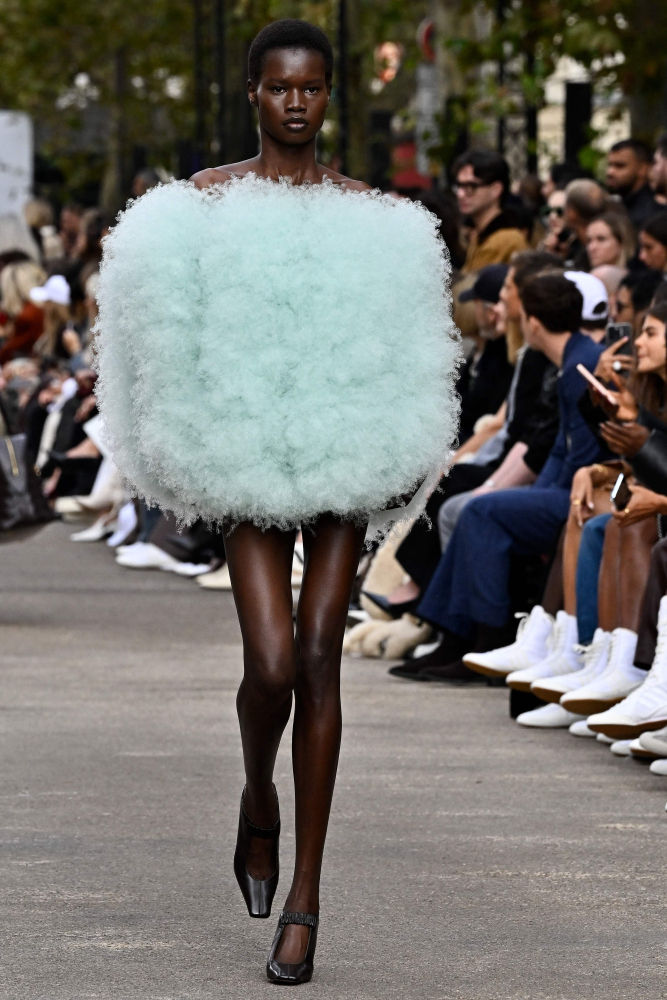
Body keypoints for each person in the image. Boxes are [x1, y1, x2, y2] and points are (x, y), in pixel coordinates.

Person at [93, 18, 460, 986]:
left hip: (341, 458)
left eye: (311, 87)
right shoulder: (199, 207)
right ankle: (257, 793)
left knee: (316, 657)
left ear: (328, 95)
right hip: (247, 459)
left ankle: (305, 897)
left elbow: (407, 345)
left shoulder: (374, 216)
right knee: (267, 662)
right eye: (279, 86)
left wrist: (398, 451)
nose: (296, 100)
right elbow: (156, 336)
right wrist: (175, 449)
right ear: (252, 93)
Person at [452, 149, 528, 271]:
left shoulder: (507, 239)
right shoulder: (479, 235)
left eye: (471, 187)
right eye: (459, 186)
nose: (461, 194)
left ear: (496, 190)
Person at [605, 139, 661, 231]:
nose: (610, 172)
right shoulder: (616, 206)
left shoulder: (652, 214)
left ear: (643, 169)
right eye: (609, 165)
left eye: (620, 166)